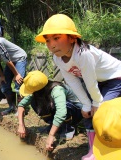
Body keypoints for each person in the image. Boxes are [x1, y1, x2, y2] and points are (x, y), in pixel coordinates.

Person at [35, 14, 121, 160]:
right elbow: (72, 80)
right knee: (86, 112)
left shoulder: (83, 54)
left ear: (72, 38)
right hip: (98, 82)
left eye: (56, 38)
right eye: (48, 40)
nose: (52, 45)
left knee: (104, 114)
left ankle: (109, 149)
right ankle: (93, 150)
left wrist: (96, 103)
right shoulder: (57, 58)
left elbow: (89, 81)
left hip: (114, 79)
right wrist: (87, 104)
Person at [17, 70, 83, 150]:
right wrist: (21, 125)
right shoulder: (37, 91)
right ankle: (53, 125)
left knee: (65, 106)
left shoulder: (57, 90)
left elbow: (61, 113)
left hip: (76, 112)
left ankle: (68, 129)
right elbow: (21, 105)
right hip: (62, 111)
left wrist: (51, 135)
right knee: (34, 102)